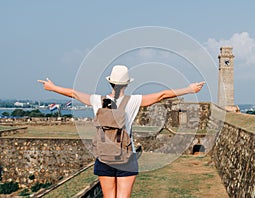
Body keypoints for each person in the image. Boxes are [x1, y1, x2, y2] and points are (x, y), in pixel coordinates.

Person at [38, 65, 205, 198]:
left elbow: (73, 93)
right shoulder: (132, 101)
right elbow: (162, 95)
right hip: (127, 156)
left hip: (104, 157)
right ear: (126, 84)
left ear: (111, 82)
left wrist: (52, 87)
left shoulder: (98, 100)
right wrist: (189, 89)